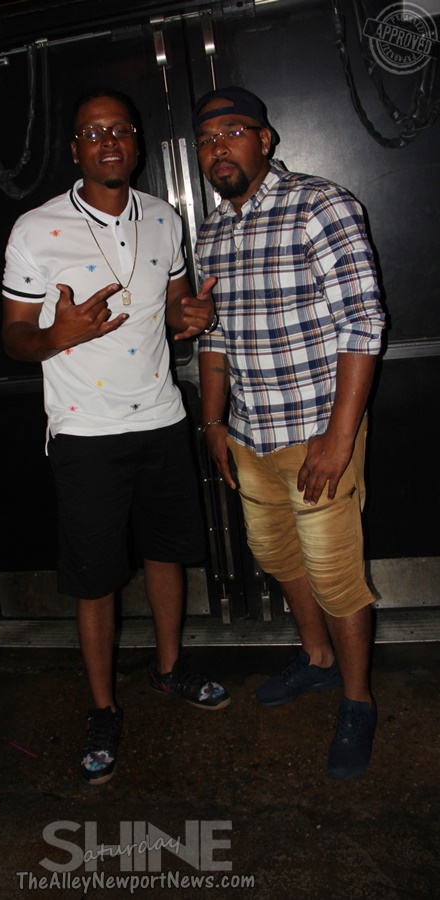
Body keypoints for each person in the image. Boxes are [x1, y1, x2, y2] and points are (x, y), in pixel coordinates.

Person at [1, 88, 230, 786]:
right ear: (75, 149)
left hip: (161, 417)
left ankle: (169, 668)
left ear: (137, 143)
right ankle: (102, 708)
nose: (107, 141)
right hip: (86, 431)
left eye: (120, 129)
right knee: (95, 579)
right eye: (92, 131)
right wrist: (55, 334)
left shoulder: (165, 218)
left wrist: (189, 319)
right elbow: (13, 338)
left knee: (166, 554)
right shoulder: (35, 229)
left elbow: (176, 306)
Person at [193, 86, 385, 780]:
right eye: (207, 139)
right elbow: (212, 337)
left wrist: (339, 438)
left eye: (233, 132)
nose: (219, 148)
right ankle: (318, 658)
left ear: (265, 139)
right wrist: (214, 421)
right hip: (249, 435)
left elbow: (363, 324)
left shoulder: (320, 205)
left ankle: (358, 701)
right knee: (274, 555)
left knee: (336, 576)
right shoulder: (211, 232)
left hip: (316, 433)